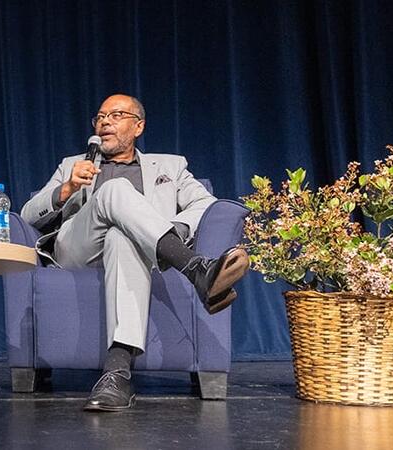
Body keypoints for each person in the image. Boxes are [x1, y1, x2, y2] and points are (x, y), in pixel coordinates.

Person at [21, 94, 248, 412]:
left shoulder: (171, 166)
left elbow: (207, 205)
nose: (105, 122)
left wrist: (177, 229)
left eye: (116, 115)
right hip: (78, 249)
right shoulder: (72, 165)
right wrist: (67, 189)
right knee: (113, 190)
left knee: (121, 236)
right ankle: (196, 269)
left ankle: (117, 374)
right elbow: (28, 215)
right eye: (100, 117)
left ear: (138, 126)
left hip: (139, 252)